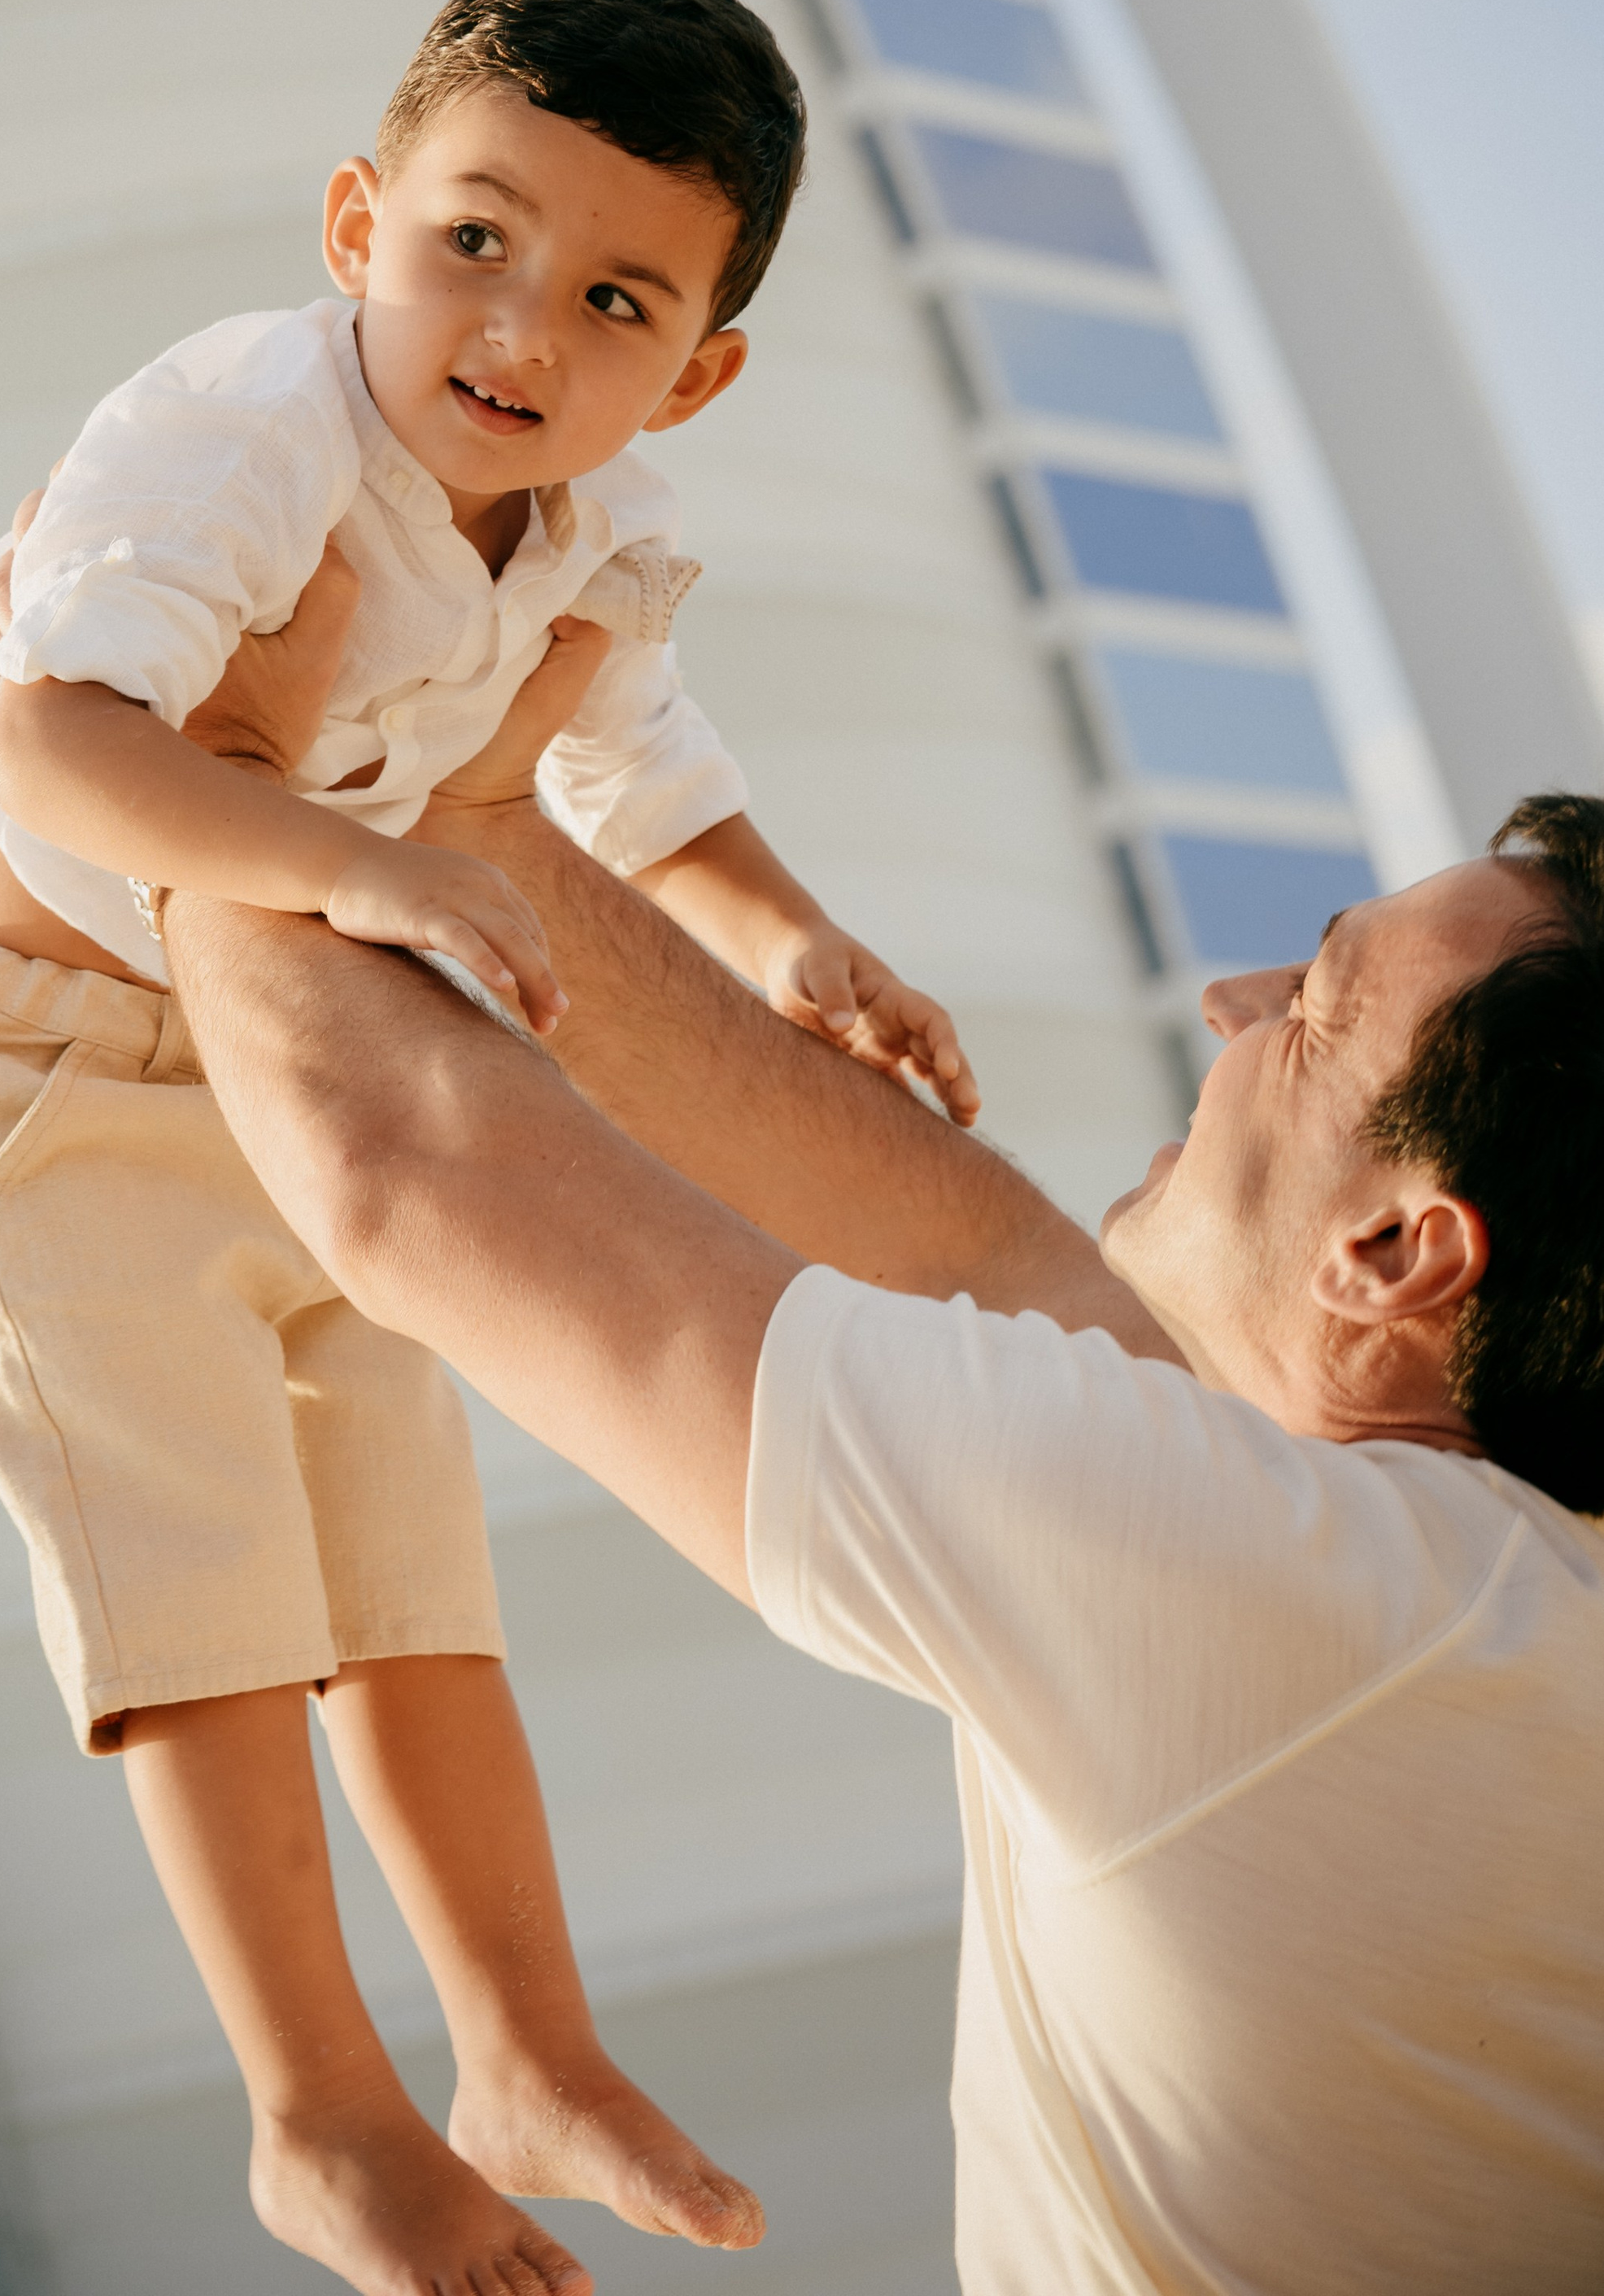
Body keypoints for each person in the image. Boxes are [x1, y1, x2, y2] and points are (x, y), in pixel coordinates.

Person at [0, 0, 982, 2296]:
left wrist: (790, 945)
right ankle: (324, 2109)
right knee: (206, 1588)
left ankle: (521, 2043)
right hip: (43, 1063)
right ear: (361, 222)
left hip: (305, 1076)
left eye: (615, 303)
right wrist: (360, 858)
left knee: (408, 1586)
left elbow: (642, 775)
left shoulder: (592, 532)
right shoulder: (250, 428)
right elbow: (52, 738)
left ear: (703, 366)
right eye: (479, 240)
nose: (523, 333)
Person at [149, 557, 1604, 2296]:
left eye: (1308, 1008)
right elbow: (970, 1253)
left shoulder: (1323, 1626)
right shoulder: (1479, 1603)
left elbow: (403, 1172)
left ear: (1392, 1254)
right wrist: (493, 839)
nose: (1225, 1007)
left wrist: (205, 764)